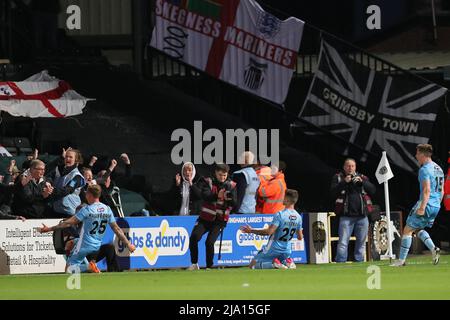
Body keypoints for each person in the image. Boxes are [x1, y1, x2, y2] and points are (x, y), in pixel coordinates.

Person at [38, 184, 135, 273]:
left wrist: (49, 229)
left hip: (84, 245)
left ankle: (89, 267)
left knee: (69, 269)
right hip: (97, 247)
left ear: (89, 195)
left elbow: (68, 223)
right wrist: (128, 244)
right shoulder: (107, 209)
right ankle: (93, 268)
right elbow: (117, 229)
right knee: (108, 248)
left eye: (86, 194)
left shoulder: (87, 209)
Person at [391, 144, 445, 267]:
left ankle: (401, 261)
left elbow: (427, 190)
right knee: (418, 229)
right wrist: (437, 205)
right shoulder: (439, 169)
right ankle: (433, 249)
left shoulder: (424, 169)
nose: (415, 156)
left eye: (417, 153)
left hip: (426, 204)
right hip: (436, 205)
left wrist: (422, 207)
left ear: (422, 154)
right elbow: (442, 191)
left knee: (407, 230)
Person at [187, 163, 237, 270]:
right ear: (215, 173)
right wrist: (217, 195)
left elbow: (235, 204)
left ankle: (209, 266)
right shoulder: (208, 182)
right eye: (220, 175)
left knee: (209, 242)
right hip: (205, 218)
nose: (222, 177)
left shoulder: (231, 185)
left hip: (219, 220)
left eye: (224, 175)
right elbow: (205, 196)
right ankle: (194, 263)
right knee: (194, 237)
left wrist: (228, 199)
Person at [240, 189, 303, 269]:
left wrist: (251, 230)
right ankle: (287, 262)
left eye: (284, 198)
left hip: (273, 248)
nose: (282, 199)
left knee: (252, 265)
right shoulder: (298, 217)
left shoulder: (280, 215)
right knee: (281, 259)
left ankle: (273, 264)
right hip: (287, 249)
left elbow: (269, 232)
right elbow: (300, 237)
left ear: (287, 200)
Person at [330, 158, 376, 263]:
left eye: (352, 166)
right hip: (346, 216)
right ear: (344, 167)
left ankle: (359, 261)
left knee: (361, 242)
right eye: (348, 166)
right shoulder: (338, 177)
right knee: (343, 242)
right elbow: (332, 193)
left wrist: (362, 182)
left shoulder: (362, 177)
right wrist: (344, 183)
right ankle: (341, 262)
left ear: (355, 167)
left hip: (362, 216)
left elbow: (373, 190)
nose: (350, 168)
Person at [47, 148, 85, 217]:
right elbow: (47, 171)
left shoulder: (77, 176)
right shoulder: (59, 170)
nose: (67, 159)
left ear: (76, 160)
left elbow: (67, 190)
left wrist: (51, 191)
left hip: (70, 213)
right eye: (66, 156)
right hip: (56, 210)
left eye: (70, 157)